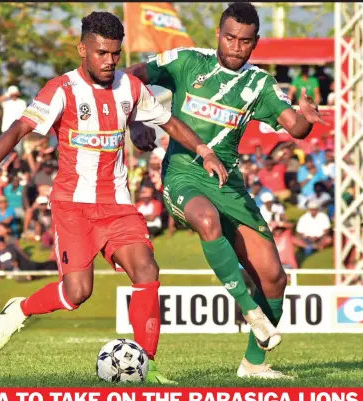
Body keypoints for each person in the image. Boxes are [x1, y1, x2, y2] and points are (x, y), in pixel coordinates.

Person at [0, 11, 230, 384]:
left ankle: (145, 366)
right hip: (73, 208)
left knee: (147, 271)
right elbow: (18, 129)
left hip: (117, 205)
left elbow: (167, 121)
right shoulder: (62, 89)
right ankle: (20, 308)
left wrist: (205, 150)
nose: (109, 61)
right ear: (83, 49)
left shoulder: (130, 88)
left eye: (115, 54)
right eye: (101, 53)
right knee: (77, 293)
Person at [126, 2, 325, 379]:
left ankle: (253, 364)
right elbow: (132, 75)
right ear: (218, 34)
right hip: (183, 174)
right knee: (206, 218)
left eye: (245, 41)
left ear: (256, 43)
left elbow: (293, 127)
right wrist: (136, 119)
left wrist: (307, 121)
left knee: (274, 276)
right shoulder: (186, 61)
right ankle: (248, 310)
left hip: (228, 183)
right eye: (230, 37)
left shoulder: (261, 84)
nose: (236, 46)